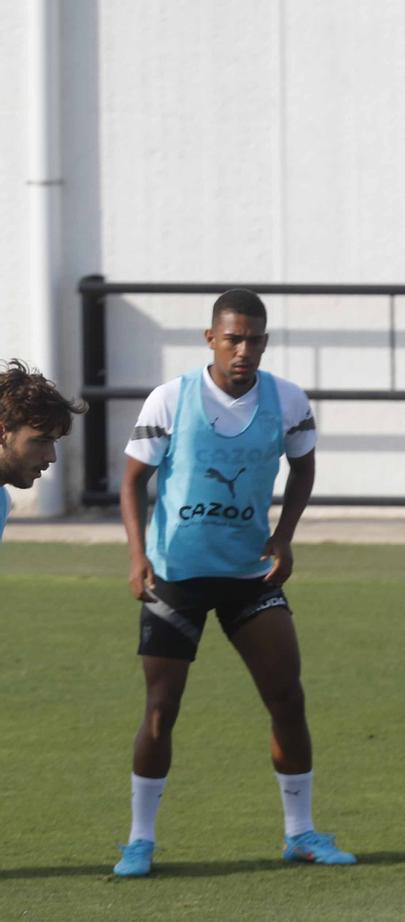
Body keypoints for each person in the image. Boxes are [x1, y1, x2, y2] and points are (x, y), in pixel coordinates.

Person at [115, 289, 355, 877]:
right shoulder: (171, 399)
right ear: (210, 339)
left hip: (249, 575)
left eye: (253, 339)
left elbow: (304, 464)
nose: (242, 349)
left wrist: (285, 534)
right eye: (232, 338)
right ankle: (139, 840)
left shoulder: (288, 400)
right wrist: (137, 555)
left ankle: (299, 832)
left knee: (287, 697)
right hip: (177, 575)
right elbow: (131, 482)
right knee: (160, 710)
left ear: (265, 342)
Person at [0, 359, 85, 545]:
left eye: (53, 442)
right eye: (41, 441)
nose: (51, 457)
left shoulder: (2, 500)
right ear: (2, 433)